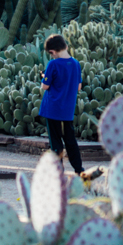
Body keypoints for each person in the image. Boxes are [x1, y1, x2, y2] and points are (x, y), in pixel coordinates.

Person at [38, 34, 84, 175]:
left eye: (51, 54)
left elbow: (44, 86)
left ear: (53, 51)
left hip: (52, 109)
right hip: (67, 110)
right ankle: (79, 169)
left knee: (56, 142)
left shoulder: (53, 64)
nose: (51, 56)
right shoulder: (76, 63)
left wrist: (43, 77)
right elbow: (79, 87)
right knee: (70, 140)